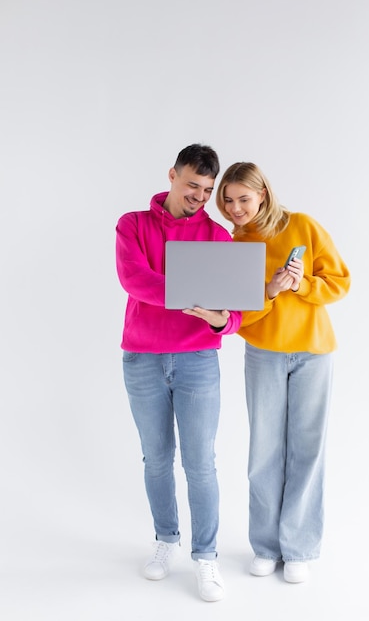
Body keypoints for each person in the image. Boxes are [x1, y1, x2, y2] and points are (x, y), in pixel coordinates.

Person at [115, 144, 242, 602]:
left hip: (197, 360)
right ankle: (166, 540)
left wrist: (218, 320)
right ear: (172, 175)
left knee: (201, 464)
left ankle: (205, 558)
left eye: (208, 190)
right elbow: (134, 279)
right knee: (155, 459)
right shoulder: (132, 224)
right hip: (143, 357)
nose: (200, 197)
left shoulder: (219, 238)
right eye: (193, 185)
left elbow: (234, 314)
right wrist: (193, 292)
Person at [216, 162, 351, 584]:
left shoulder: (303, 226)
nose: (235, 208)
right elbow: (242, 316)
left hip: (313, 352)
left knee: (307, 450)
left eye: (243, 198)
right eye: (228, 200)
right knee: (264, 453)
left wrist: (301, 285)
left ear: (263, 194)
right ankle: (266, 545)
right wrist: (271, 291)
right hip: (263, 354)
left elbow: (340, 282)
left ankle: (299, 549)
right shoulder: (236, 243)